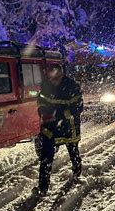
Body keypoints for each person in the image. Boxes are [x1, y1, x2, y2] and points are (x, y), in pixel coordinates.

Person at [34, 63, 83, 196]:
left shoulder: (72, 86)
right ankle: (43, 187)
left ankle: (77, 173)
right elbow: (41, 101)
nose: (51, 80)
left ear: (60, 74)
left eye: (54, 77)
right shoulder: (46, 86)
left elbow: (78, 107)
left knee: (73, 151)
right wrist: (43, 112)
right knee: (46, 156)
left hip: (68, 126)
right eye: (49, 77)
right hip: (50, 126)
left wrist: (60, 115)